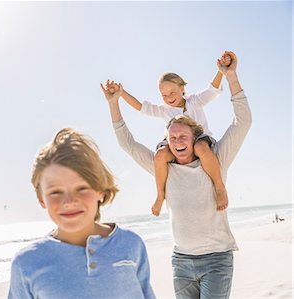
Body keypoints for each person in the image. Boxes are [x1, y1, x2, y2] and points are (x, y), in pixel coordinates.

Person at [102, 51, 252, 298]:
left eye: (183, 137)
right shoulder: (164, 168)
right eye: (172, 138)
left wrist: (231, 76)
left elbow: (242, 122)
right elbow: (127, 143)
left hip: (217, 260)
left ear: (195, 138)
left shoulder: (215, 158)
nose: (177, 142)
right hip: (181, 262)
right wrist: (114, 103)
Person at [7, 128, 156, 299]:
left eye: (81, 188)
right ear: (41, 198)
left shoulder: (130, 244)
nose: (69, 201)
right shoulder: (27, 263)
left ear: (100, 190)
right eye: (56, 192)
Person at [106, 55, 231, 216]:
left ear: (182, 88)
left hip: (200, 139)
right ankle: (160, 195)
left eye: (172, 92)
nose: (169, 98)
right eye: (164, 95)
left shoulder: (194, 102)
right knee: (159, 155)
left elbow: (212, 90)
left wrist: (220, 72)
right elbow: (140, 107)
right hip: (176, 144)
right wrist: (121, 93)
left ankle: (220, 187)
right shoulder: (164, 110)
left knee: (200, 147)